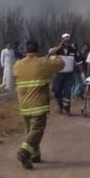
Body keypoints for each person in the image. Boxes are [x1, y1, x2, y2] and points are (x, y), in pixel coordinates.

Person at [13, 40, 64, 170]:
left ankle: (35, 156)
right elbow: (60, 64)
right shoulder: (42, 62)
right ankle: (23, 152)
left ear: (26, 51)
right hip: (38, 104)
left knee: (30, 131)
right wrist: (53, 54)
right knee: (37, 130)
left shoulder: (18, 64)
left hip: (24, 105)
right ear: (37, 49)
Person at [49, 33, 77, 115]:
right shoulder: (57, 50)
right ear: (62, 41)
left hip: (69, 75)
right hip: (59, 74)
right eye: (65, 41)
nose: (67, 43)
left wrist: (82, 73)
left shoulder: (72, 50)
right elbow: (50, 53)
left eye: (68, 41)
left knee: (67, 92)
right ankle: (60, 105)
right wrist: (59, 46)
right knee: (56, 90)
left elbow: (78, 62)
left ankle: (67, 108)